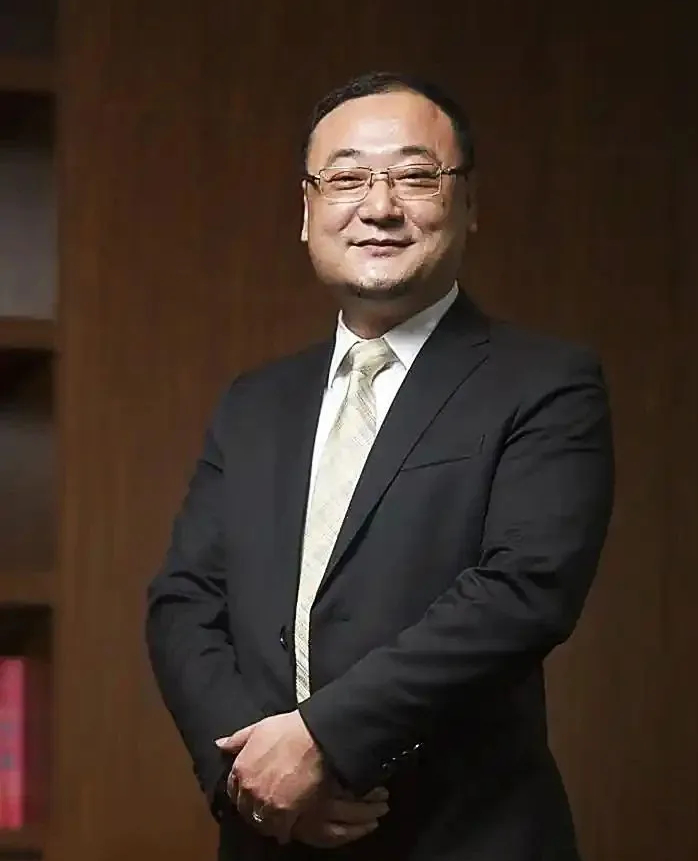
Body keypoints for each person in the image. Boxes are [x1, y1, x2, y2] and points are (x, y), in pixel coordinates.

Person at [145, 70, 615, 861]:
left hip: (463, 837)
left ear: (468, 202)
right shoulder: (255, 402)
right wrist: (248, 773)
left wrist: (322, 740)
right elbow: (184, 601)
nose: (380, 206)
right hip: (269, 838)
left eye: (415, 176)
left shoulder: (546, 383)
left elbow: (525, 589)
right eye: (347, 178)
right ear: (307, 211)